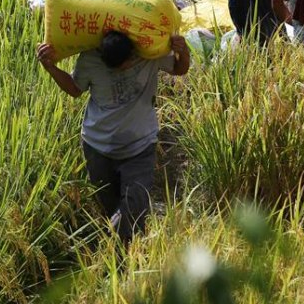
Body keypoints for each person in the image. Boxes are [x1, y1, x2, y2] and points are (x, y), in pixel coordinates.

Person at [36, 30, 190, 245]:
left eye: (124, 65)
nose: (120, 70)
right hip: (97, 146)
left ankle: (118, 260)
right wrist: (51, 68)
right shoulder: (90, 59)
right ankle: (124, 261)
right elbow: (74, 89)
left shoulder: (149, 52)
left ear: (132, 54)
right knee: (108, 210)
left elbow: (179, 69)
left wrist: (183, 51)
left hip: (139, 146)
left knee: (132, 209)